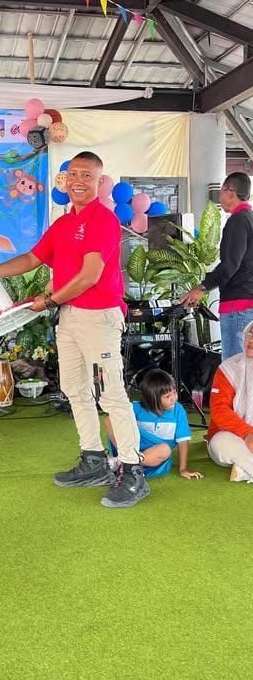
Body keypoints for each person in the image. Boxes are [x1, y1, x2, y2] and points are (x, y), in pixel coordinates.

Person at [0, 151, 150, 508]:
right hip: (69, 316)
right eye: (73, 174)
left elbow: (90, 275)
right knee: (74, 389)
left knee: (110, 393)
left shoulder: (103, 219)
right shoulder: (63, 223)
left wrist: (50, 300)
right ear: (64, 181)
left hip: (98, 317)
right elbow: (30, 259)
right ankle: (94, 460)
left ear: (99, 183)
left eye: (87, 175)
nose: (79, 180)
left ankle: (132, 470)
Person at [180, 172, 253, 360]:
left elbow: (230, 265)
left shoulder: (238, 220)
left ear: (229, 192)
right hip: (247, 302)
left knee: (233, 369)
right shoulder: (249, 218)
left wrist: (202, 288)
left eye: (222, 190)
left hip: (239, 305)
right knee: (246, 370)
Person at [105, 369, 203, 480]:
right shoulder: (136, 408)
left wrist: (183, 469)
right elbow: (114, 418)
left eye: (174, 392)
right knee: (110, 419)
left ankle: (122, 464)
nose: (173, 398)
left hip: (153, 457)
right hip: (129, 448)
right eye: (167, 396)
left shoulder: (178, 410)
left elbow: (183, 442)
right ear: (153, 398)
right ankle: (124, 459)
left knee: (165, 449)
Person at [206, 320, 253, 483]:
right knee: (222, 444)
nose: (251, 340)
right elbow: (219, 409)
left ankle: (244, 469)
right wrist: (248, 433)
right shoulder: (229, 368)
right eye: (249, 333)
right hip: (231, 435)